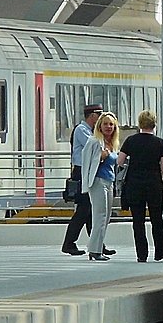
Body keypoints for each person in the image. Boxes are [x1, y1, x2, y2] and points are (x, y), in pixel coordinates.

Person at [61, 103, 114, 257]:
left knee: (91, 211)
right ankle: (69, 243)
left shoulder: (89, 131)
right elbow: (97, 147)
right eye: (99, 116)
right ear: (92, 116)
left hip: (90, 171)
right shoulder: (82, 130)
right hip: (82, 172)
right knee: (84, 210)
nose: (101, 120)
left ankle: (97, 244)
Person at [117, 110, 163, 263]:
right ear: (154, 124)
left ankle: (142, 254)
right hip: (154, 184)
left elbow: (120, 161)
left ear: (140, 124)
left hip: (135, 184)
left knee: (138, 221)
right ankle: (160, 252)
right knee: (157, 219)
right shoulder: (160, 143)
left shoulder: (131, 141)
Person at [81, 111, 121, 261]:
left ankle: (97, 248)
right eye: (105, 124)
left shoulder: (113, 143)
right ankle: (94, 251)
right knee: (99, 216)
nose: (108, 127)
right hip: (97, 181)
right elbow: (86, 162)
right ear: (99, 126)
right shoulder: (94, 141)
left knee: (106, 217)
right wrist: (101, 158)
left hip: (109, 182)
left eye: (111, 124)